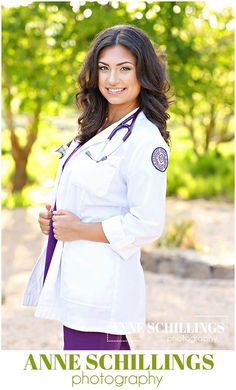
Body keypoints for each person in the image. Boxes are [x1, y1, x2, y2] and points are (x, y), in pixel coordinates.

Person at [23, 24, 172, 350]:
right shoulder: (95, 126)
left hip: (102, 283)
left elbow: (147, 223)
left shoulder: (145, 141)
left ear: (142, 72)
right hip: (77, 274)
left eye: (124, 69)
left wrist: (79, 229)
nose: (112, 79)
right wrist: (55, 220)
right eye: (104, 68)